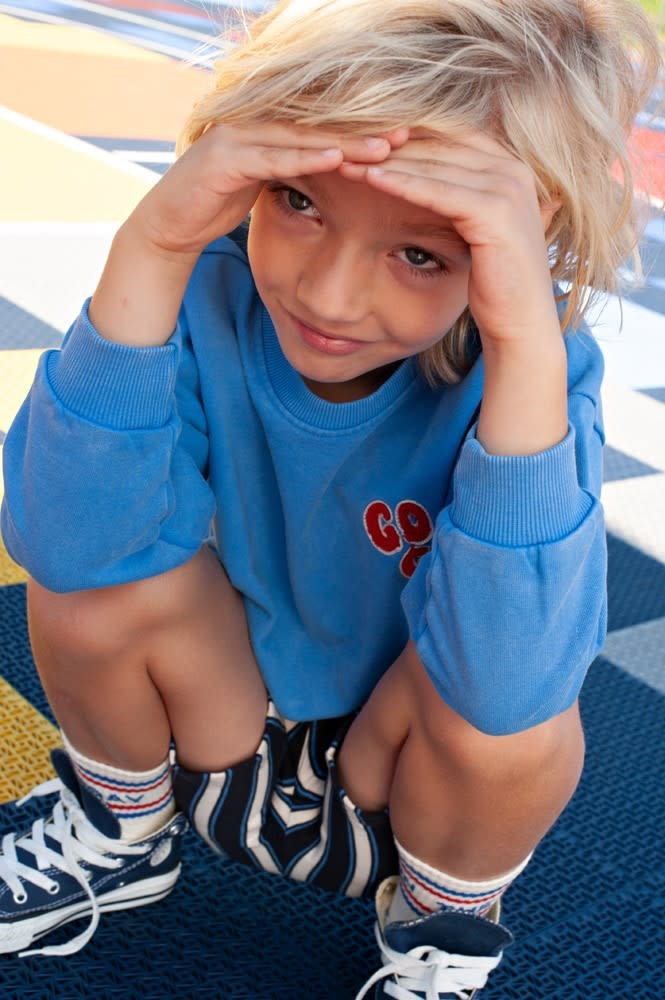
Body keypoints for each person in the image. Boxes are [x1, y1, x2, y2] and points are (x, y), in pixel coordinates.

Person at [0, 0, 661, 995]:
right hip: (212, 730)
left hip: (401, 788)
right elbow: (67, 541)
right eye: (299, 201)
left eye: (421, 253)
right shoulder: (201, 296)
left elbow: (510, 683)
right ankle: (119, 829)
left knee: (523, 724)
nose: (328, 295)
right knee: (88, 575)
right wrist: (153, 245)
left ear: (523, 251)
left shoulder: (537, 377)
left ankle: (440, 923)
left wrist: (525, 337)